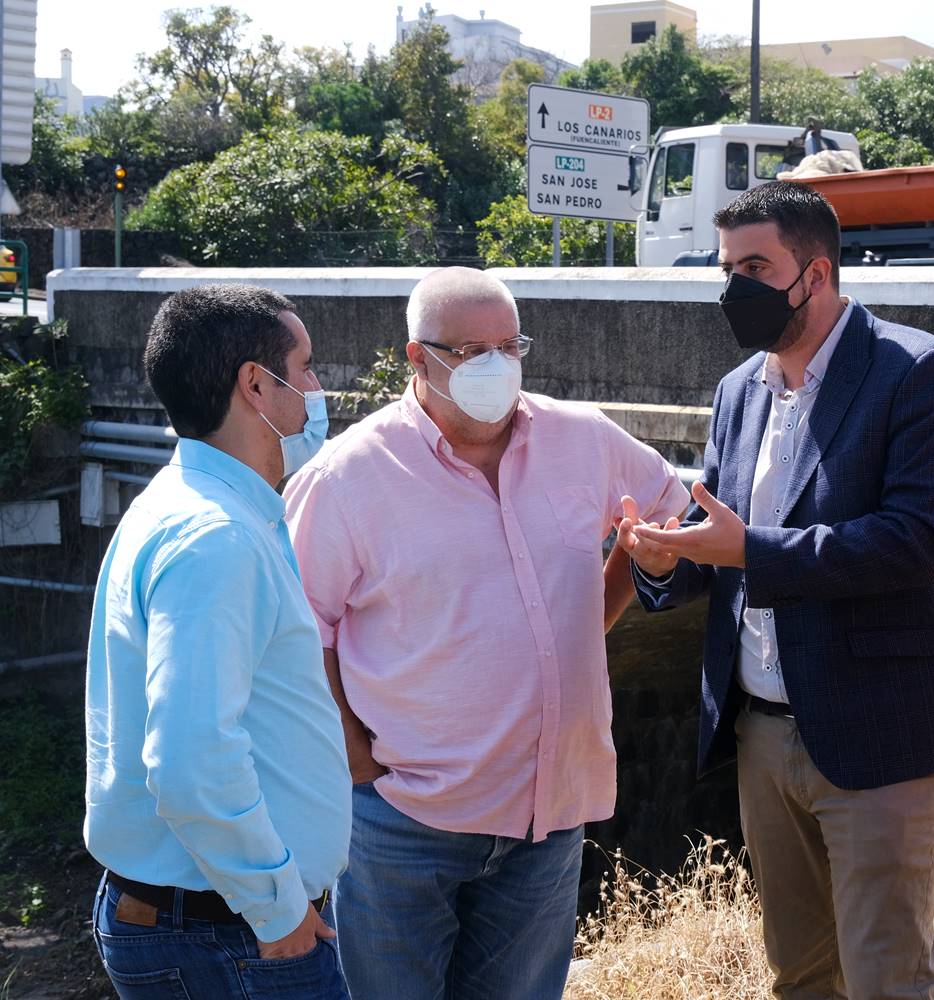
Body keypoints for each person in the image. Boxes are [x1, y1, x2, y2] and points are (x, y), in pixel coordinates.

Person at [615, 181, 934, 1000]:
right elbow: (718, 531)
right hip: (762, 735)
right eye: (727, 269)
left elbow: (918, 541)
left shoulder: (920, 372)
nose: (736, 289)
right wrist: (661, 561)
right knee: (800, 974)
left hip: (881, 734)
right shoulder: (739, 390)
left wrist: (748, 548)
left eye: (755, 266)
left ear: (816, 274)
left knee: (887, 976)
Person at [284, 267, 688, 1000]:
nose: (495, 366)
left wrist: (604, 605)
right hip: (404, 820)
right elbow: (296, 633)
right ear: (417, 358)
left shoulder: (584, 439)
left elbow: (667, 518)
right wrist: (354, 761)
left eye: (510, 345)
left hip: (549, 816)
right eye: (470, 352)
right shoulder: (346, 477)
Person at [85, 284, 351, 998]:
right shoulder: (218, 539)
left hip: (215, 926)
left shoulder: (196, 509)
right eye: (308, 367)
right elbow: (191, 760)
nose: (319, 390)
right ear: (258, 385)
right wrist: (279, 909)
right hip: (229, 936)